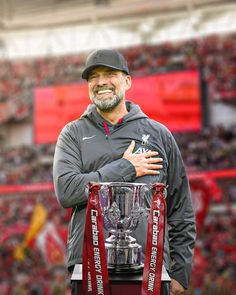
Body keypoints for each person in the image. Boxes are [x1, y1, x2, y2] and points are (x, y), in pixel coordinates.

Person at [53, 48, 196, 295]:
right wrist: (127, 167)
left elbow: (180, 208)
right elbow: (66, 191)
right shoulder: (72, 134)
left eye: (109, 73)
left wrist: (180, 272)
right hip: (89, 271)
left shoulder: (159, 134)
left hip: (150, 274)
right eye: (93, 77)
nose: (100, 82)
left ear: (127, 81)